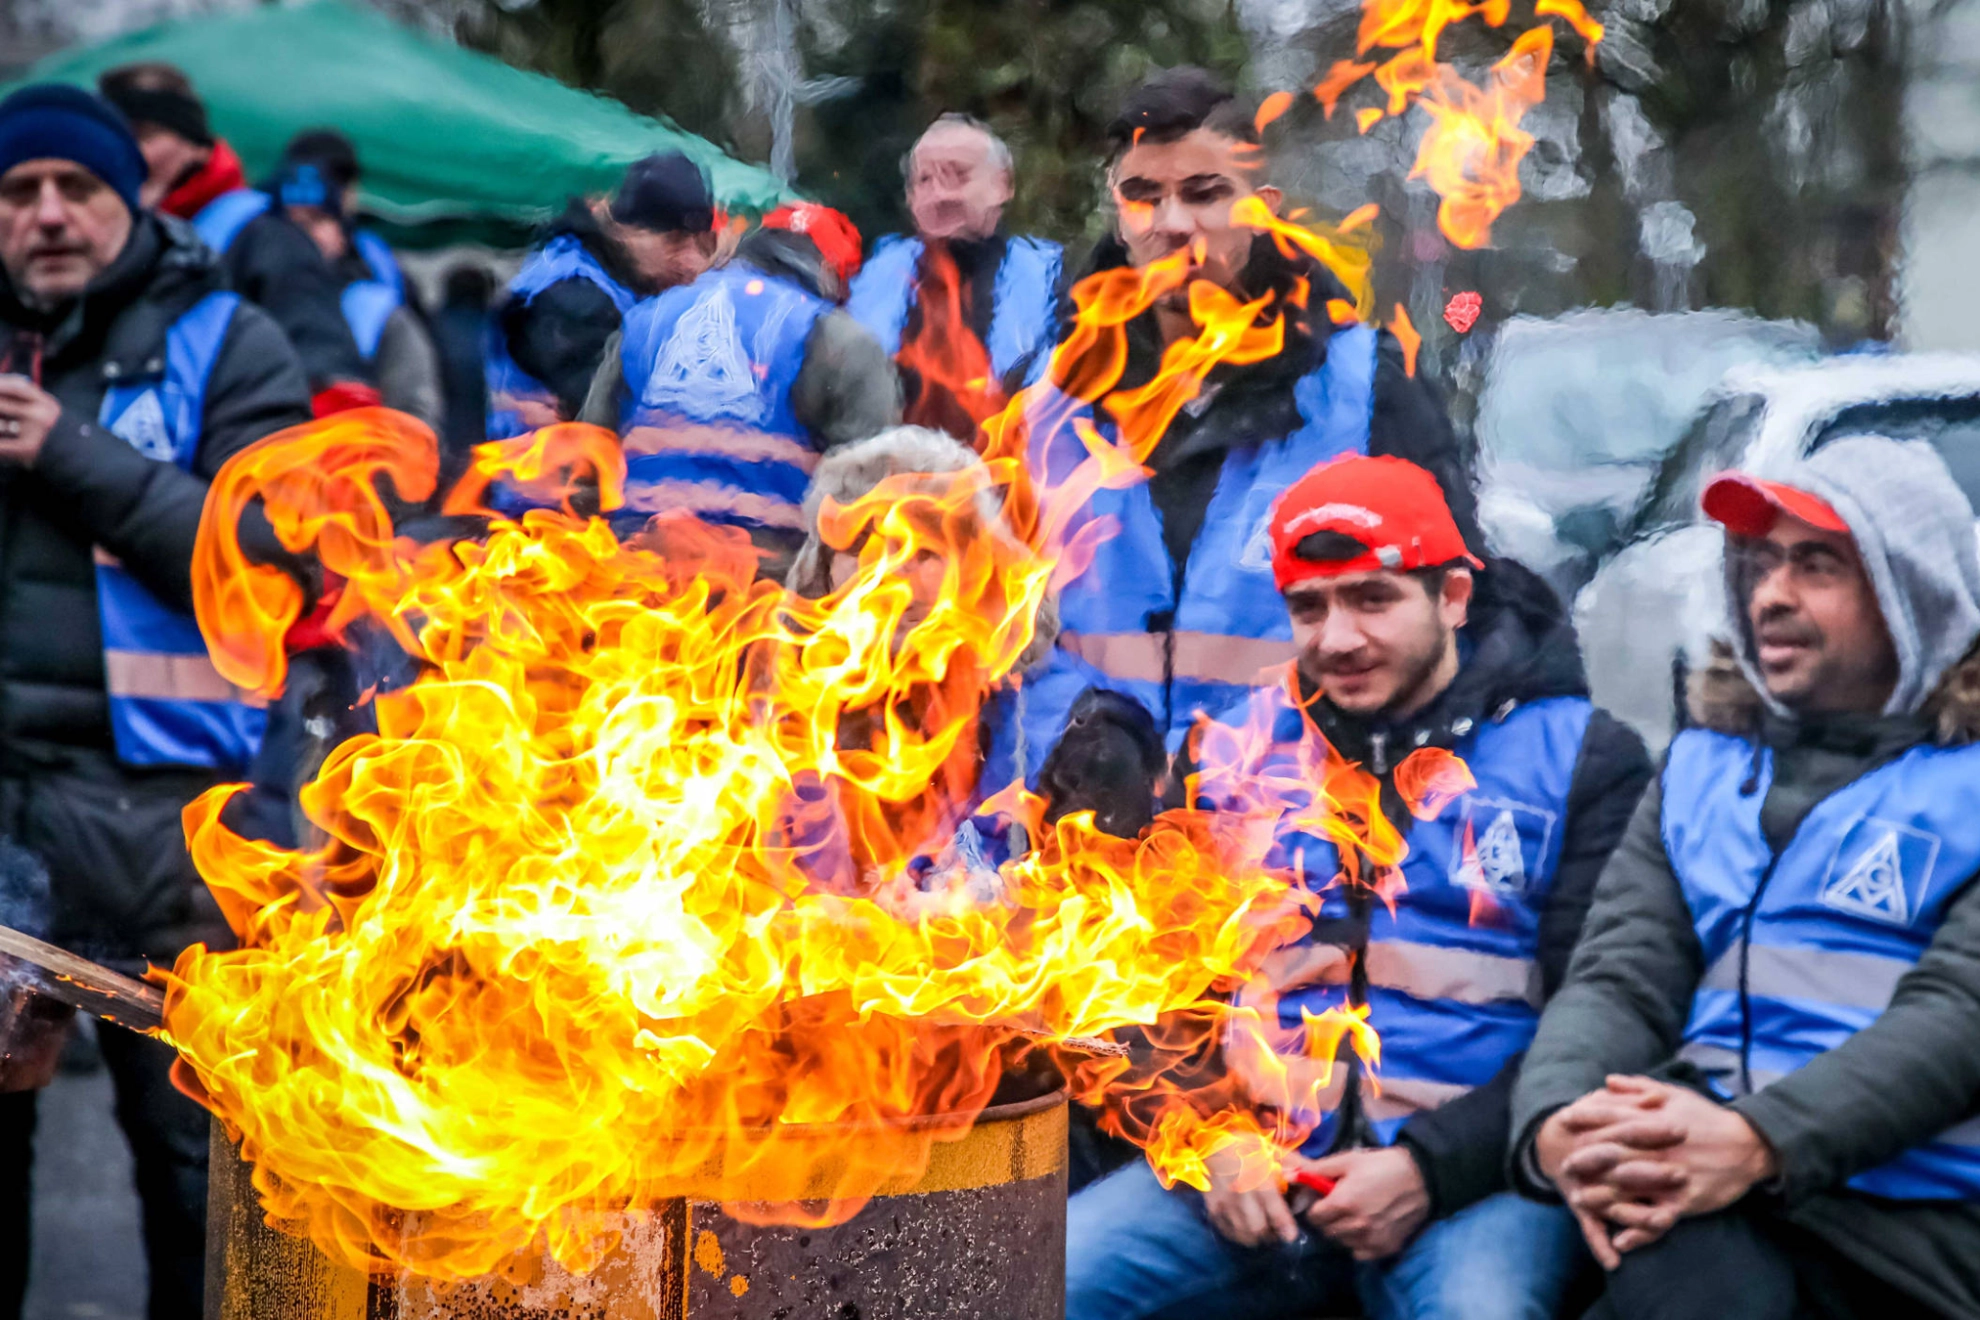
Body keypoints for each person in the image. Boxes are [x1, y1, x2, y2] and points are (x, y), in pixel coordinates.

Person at [1066, 454, 1652, 1320]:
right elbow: (1150, 997)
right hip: (1245, 1171)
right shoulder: (1228, 754)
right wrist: (1213, 1140)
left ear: (1453, 597)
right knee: (1041, 1283)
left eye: (1373, 598)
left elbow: (1607, 1023)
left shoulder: (1582, 760)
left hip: (1470, 1180)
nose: (1337, 638)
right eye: (1309, 607)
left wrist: (1427, 1168)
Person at [1510, 435, 1980, 1320]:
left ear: (1914, 591)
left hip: (1914, 1231)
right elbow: (1620, 977)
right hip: (1711, 1193)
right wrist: (1559, 1121)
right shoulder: (1701, 771)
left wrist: (1759, 1140)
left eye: (1816, 565)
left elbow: (1959, 1017)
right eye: (1758, 564)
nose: (1772, 595)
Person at [0, 84, 313, 1320]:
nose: (48, 215)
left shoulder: (228, 341)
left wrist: (65, 450)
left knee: (201, 1187)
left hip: (177, 830)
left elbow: (273, 562)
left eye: (77, 188)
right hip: (4, 824)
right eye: (19, 193)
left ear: (128, 202)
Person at [1029, 68, 1476, 751]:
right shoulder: (1048, 397)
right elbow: (985, 622)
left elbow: (1456, 614)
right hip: (1074, 830)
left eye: (1204, 194)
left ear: (1260, 209)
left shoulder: (1363, 387)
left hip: (1295, 824)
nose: (1174, 224)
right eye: (1143, 196)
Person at [582, 202, 900, 574]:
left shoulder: (646, 319)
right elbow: (868, 485)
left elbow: (586, 452)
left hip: (639, 575)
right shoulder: (837, 337)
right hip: (761, 590)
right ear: (832, 272)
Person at [97, 63, 376, 413]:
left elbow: (325, 373)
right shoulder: (99, 245)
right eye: (116, 138)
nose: (130, 154)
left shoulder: (264, 236)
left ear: (196, 145)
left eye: (146, 136)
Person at [844, 114, 1061, 436]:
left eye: (958, 176)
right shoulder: (871, 281)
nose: (940, 195)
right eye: (924, 181)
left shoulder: (1053, 281)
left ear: (1003, 184)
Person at [489, 151, 721, 438]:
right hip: (530, 472)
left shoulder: (620, 281)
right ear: (625, 229)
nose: (693, 263)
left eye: (699, 243)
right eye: (674, 241)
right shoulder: (573, 299)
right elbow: (625, 418)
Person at [269, 129, 443, 429]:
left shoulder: (376, 299)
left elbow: (415, 411)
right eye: (294, 223)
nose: (303, 236)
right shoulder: (248, 297)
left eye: (319, 220)